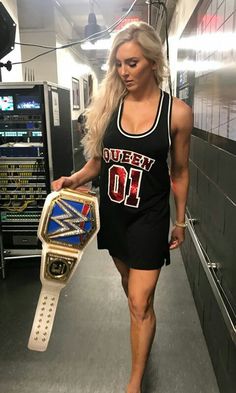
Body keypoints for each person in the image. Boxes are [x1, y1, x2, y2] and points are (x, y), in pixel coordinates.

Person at [52, 21, 192, 393]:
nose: (123, 72)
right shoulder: (109, 106)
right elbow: (99, 161)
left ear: (152, 62)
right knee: (132, 292)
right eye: (118, 64)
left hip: (150, 215)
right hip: (113, 214)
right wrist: (74, 179)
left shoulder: (176, 113)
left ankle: (134, 384)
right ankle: (145, 331)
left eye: (132, 63)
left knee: (138, 299)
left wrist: (179, 222)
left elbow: (179, 171)